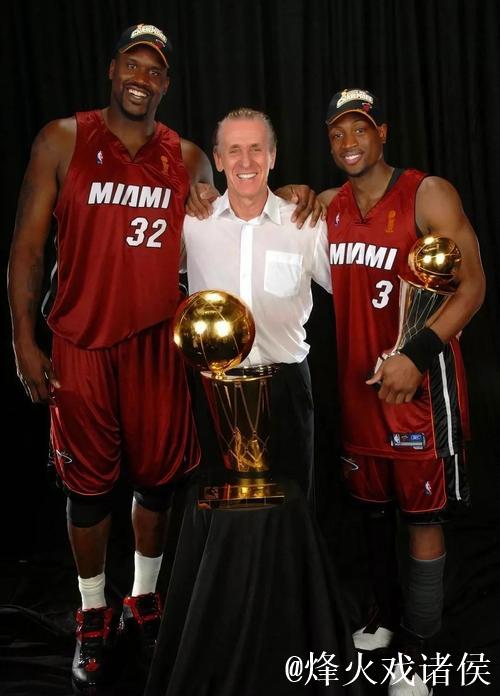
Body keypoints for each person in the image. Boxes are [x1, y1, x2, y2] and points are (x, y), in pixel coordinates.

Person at [7, 24, 321, 693]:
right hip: (81, 340)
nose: (141, 77)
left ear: (166, 83)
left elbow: (235, 207)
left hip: (157, 343)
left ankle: (143, 599)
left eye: (154, 70)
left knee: (157, 481)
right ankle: (93, 612)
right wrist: (23, 341)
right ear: (113, 68)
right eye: (133, 63)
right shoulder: (62, 138)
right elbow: (27, 248)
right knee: (88, 488)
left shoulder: (187, 157)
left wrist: (300, 193)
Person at [320, 88, 485, 695]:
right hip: (359, 392)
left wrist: (416, 356)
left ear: (382, 132)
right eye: (338, 133)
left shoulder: (425, 193)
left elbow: (473, 286)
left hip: (418, 392)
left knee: (421, 518)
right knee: (370, 512)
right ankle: (386, 615)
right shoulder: (330, 206)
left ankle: (420, 650)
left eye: (360, 129)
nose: (349, 142)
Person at [182, 108, 332, 499]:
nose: (245, 162)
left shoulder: (305, 224)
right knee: (218, 505)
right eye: (234, 150)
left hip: (286, 388)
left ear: (273, 156)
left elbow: (352, 292)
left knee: (291, 506)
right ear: (218, 160)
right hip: (214, 390)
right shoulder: (193, 224)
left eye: (256, 149)